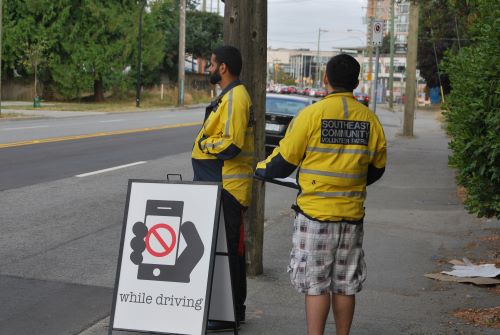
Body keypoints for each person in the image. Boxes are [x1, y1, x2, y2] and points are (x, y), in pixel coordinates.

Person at [255, 54, 387, 335]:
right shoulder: (369, 119)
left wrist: (260, 169)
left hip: (315, 217)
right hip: (351, 217)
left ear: (325, 79)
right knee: (345, 283)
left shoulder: (311, 115)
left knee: (316, 284)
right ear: (357, 82)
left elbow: (283, 162)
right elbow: (377, 169)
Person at [191, 45, 254, 331]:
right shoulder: (228, 96)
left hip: (227, 185)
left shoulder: (236, 98)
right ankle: (230, 310)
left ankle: (228, 313)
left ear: (223, 68)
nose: (209, 68)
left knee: (228, 251)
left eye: (212, 64)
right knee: (226, 250)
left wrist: (204, 145)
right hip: (219, 183)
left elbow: (231, 143)